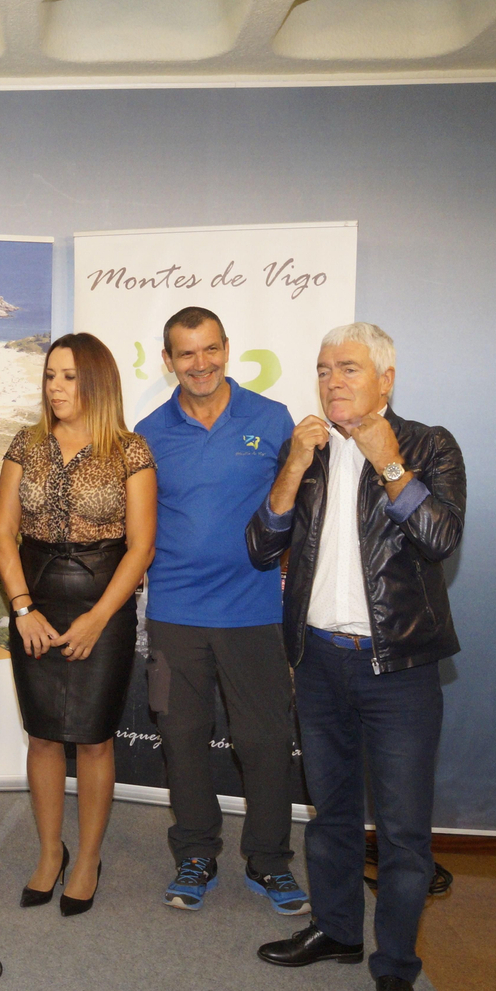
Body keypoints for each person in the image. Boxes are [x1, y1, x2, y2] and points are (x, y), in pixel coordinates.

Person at [247, 323, 465, 991]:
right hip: (318, 661)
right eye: (321, 369)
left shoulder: (431, 444)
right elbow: (261, 545)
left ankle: (395, 968)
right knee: (332, 810)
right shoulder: (305, 447)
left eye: (348, 367)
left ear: (387, 377)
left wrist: (393, 466)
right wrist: (292, 465)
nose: (332, 380)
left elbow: (440, 538)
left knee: (402, 831)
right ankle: (338, 929)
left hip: (398, 667)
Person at [133, 307, 306, 916]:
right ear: (168, 361)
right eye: (186, 353)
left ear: (227, 349)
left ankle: (268, 861)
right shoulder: (147, 433)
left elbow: (300, 513)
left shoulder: (272, 418)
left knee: (264, 742)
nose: (200, 363)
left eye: (210, 350)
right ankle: (196, 856)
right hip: (176, 614)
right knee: (181, 739)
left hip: (255, 612)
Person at [0, 333, 155, 916]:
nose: (56, 387)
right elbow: (3, 535)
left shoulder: (131, 451)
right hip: (33, 606)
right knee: (41, 735)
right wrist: (21, 608)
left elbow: (140, 549)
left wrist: (98, 618)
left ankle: (87, 858)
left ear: (97, 382)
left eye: (69, 377)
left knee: (92, 739)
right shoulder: (24, 444)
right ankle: (48, 854)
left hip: (102, 610)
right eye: (50, 376)